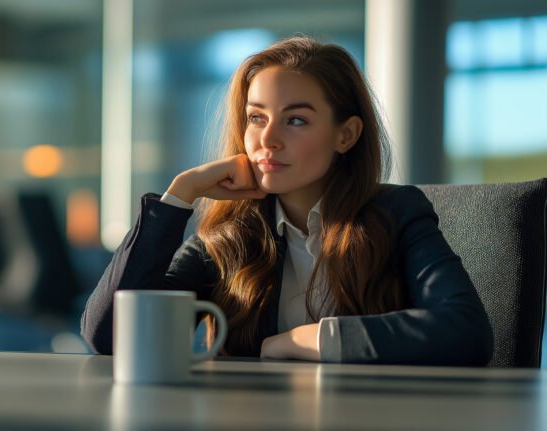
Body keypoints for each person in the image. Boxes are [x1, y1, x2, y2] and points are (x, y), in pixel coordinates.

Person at [80, 36, 493, 365]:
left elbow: (465, 331)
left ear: (345, 135)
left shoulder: (398, 213)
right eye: (256, 118)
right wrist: (180, 194)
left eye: (296, 120)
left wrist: (305, 340)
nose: (268, 139)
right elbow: (108, 336)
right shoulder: (230, 237)